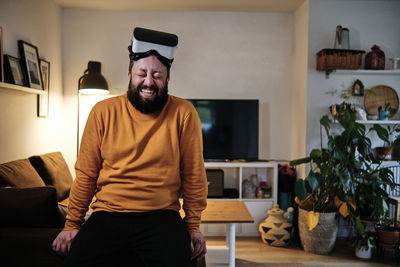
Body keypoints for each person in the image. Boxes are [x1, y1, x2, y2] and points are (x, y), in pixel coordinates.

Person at [52, 27, 208, 267]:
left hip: (162, 216)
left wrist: (193, 227)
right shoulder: (102, 112)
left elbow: (194, 175)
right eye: (142, 73)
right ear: (129, 75)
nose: (148, 81)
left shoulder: (184, 113)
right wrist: (72, 224)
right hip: (107, 215)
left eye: (157, 75)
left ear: (167, 79)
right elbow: (86, 173)